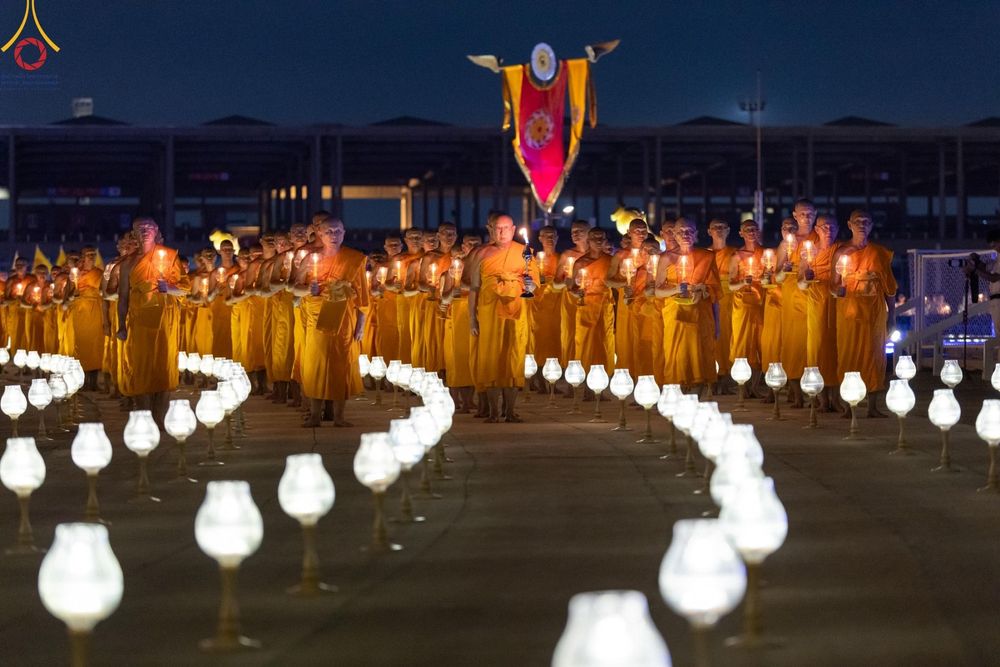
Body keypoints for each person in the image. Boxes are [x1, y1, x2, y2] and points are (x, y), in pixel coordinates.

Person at [292, 218, 368, 427]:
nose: (334, 235)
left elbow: (363, 296)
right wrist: (309, 290)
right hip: (316, 318)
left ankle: (339, 416)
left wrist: (360, 325)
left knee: (340, 366)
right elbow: (295, 289)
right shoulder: (309, 259)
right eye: (329, 232)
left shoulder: (354, 259)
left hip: (344, 318)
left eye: (337, 231)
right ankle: (315, 415)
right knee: (316, 365)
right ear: (320, 234)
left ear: (344, 233)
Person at [116, 217, 190, 421]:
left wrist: (169, 287)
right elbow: (123, 297)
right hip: (139, 321)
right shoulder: (128, 263)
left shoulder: (169, 256)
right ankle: (144, 419)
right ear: (134, 234)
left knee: (162, 370)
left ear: (156, 231)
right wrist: (121, 325)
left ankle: (160, 418)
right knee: (141, 369)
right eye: (140, 228)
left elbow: (185, 289)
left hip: (164, 321)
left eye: (149, 227)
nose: (145, 231)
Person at [469, 213, 538, 422]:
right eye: (498, 228)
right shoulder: (481, 253)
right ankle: (492, 411)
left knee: (513, 358)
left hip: (516, 313)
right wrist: (472, 318)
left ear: (514, 229)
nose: (502, 232)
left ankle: (510, 410)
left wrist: (530, 285)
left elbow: (534, 285)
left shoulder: (525, 252)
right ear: (491, 230)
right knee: (490, 358)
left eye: (506, 228)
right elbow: (473, 288)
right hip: (489, 313)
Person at [832, 210, 897, 417]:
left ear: (871, 226)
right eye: (857, 221)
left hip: (874, 313)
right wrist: (837, 290)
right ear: (849, 225)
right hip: (849, 312)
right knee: (848, 355)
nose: (862, 225)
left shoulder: (878, 253)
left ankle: (872, 406)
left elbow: (890, 289)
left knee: (874, 356)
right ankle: (850, 406)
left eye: (866, 222)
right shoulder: (842, 253)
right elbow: (833, 286)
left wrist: (892, 317)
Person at [655, 217, 721, 395]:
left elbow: (715, 290)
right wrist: (677, 288)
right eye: (681, 231)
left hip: (700, 315)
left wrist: (702, 290)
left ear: (696, 235)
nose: (685, 235)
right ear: (674, 235)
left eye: (690, 231)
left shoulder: (706, 256)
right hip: (676, 317)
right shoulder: (666, 258)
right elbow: (658, 291)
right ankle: (677, 398)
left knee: (698, 358)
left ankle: (697, 399)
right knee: (678, 358)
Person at [776, 199, 820, 407]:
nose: (806, 217)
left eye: (810, 213)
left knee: (814, 344)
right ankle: (796, 394)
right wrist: (785, 269)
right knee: (794, 344)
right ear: (795, 216)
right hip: (792, 294)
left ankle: (816, 393)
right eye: (802, 214)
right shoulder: (787, 243)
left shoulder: (819, 239)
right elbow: (775, 276)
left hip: (814, 293)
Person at [801, 214, 841, 410]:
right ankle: (821, 398)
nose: (828, 230)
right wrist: (807, 277)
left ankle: (836, 399)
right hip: (816, 304)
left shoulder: (840, 250)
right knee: (818, 349)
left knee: (835, 350)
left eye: (832, 226)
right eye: (824, 227)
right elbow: (800, 284)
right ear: (816, 229)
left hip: (836, 305)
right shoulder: (809, 251)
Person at [442, 233, 481, 412]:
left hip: (477, 313)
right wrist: (453, 292)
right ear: (463, 246)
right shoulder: (454, 267)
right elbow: (444, 296)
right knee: (457, 359)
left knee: (473, 358)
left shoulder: (483, 265)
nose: (472, 246)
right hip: (457, 315)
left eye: (476, 243)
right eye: (469, 243)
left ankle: (470, 400)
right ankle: (456, 400)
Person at [605, 218, 650, 375]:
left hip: (647, 301)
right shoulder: (621, 255)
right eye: (637, 230)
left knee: (646, 340)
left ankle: (648, 377)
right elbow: (608, 280)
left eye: (644, 230)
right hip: (627, 301)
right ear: (629, 233)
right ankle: (629, 377)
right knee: (627, 340)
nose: (641, 233)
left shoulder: (651, 253)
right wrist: (625, 283)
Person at [571, 227, 615, 384]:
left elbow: (617, 281)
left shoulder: (611, 260)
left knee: (603, 342)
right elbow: (572, 286)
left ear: (605, 241)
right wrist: (577, 292)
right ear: (588, 241)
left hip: (605, 305)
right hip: (586, 305)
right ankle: (584, 381)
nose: (598, 241)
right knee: (585, 342)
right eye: (594, 238)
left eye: (601, 238)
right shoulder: (580, 263)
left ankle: (600, 383)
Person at [728, 220, 765, 391]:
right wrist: (743, 281)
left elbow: (769, 278)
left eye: (754, 229)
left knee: (760, 341)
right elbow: (731, 285)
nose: (751, 232)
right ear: (741, 233)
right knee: (742, 341)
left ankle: (755, 386)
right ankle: (743, 387)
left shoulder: (765, 253)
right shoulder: (737, 256)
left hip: (761, 301)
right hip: (742, 303)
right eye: (747, 230)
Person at [551, 220, 591, 366]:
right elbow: (555, 283)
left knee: (589, 336)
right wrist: (567, 282)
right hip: (570, 301)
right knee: (570, 335)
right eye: (573, 231)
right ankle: (570, 371)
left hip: (591, 299)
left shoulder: (597, 254)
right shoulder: (567, 255)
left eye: (579, 231)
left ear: (589, 233)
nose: (575, 234)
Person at [66, 246, 105, 389]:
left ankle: (93, 382)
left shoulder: (99, 273)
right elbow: (68, 296)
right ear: (82, 257)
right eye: (88, 254)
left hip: (95, 311)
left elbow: (104, 292)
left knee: (95, 346)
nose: (92, 257)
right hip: (80, 313)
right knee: (81, 346)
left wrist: (93, 291)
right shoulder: (75, 274)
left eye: (93, 254)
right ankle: (82, 381)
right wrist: (73, 294)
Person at [529, 225, 561, 390]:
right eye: (545, 235)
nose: (549, 238)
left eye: (552, 235)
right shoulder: (532, 260)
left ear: (557, 238)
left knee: (555, 341)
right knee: (538, 342)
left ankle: (553, 380)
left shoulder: (562, 259)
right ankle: (537, 378)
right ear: (540, 239)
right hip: (538, 306)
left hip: (557, 305)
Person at [387, 228, 425, 364]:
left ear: (423, 239)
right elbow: (387, 283)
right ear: (406, 240)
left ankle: (425, 365)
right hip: (404, 299)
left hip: (425, 299)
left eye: (418, 237)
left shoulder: (428, 257)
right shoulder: (399, 259)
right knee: (405, 333)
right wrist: (393, 286)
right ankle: (406, 365)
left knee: (423, 334)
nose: (415, 240)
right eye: (412, 237)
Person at [708, 218, 737, 390]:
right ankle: (713, 375)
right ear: (708, 231)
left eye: (722, 227)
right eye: (715, 227)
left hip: (730, 299)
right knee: (712, 337)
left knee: (728, 337)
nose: (719, 230)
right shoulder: (704, 254)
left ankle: (728, 375)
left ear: (728, 231)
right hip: (711, 298)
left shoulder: (734, 253)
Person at [966, 228, 1000, 338]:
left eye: (995, 245)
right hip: (995, 301)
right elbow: (987, 268)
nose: (994, 249)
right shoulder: (998, 258)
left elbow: (994, 277)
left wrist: (975, 270)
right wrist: (976, 261)